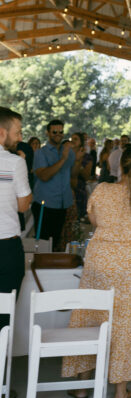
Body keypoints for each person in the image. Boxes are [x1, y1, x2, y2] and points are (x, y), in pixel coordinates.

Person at [62, 145, 131, 398]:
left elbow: (95, 220)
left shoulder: (102, 190)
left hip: (102, 262)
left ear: (118, 165)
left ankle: (83, 387)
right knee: (128, 324)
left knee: (92, 317)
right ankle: (120, 392)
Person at [0, 108, 32, 348]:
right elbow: (23, 205)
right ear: (2, 133)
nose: (20, 137)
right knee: (2, 318)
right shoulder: (14, 162)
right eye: (17, 132)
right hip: (6, 248)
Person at [32, 119, 75, 250]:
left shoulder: (68, 151)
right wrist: (63, 158)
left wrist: (77, 156)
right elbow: (44, 176)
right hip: (45, 203)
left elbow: (73, 173)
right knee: (43, 243)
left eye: (61, 132)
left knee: (57, 242)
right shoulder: (41, 152)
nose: (58, 134)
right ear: (48, 133)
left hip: (62, 203)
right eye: (54, 132)